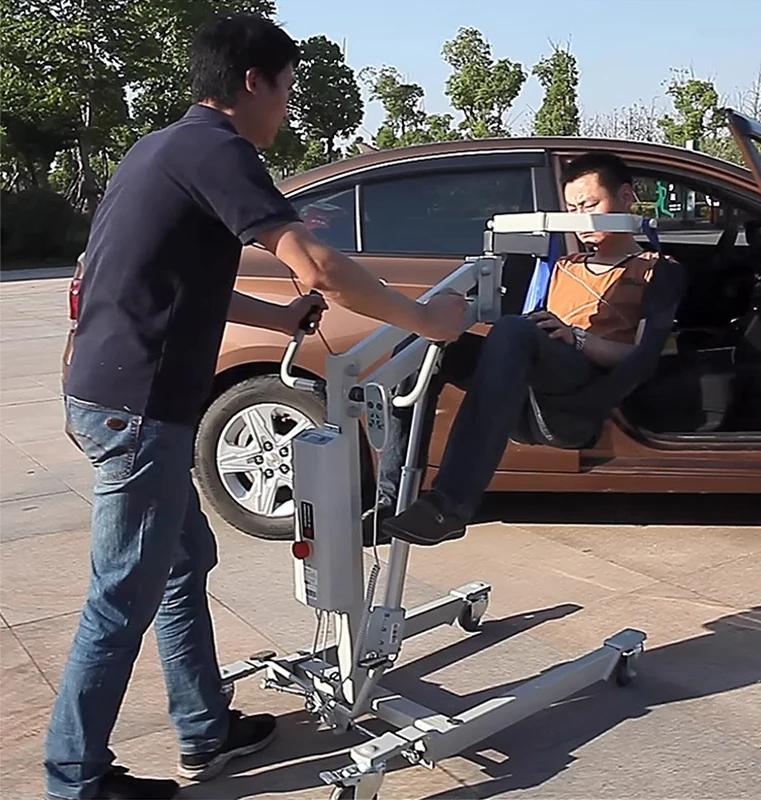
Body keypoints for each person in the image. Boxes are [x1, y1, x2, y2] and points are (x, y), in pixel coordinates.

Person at [46, 13, 466, 800]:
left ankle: (205, 731)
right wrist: (427, 318)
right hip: (139, 409)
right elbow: (317, 262)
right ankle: (75, 779)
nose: (288, 108)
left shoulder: (161, 147)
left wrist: (278, 320)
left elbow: (180, 277)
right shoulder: (218, 148)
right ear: (252, 83)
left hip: (106, 394)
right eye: (288, 90)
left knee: (179, 568)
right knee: (122, 595)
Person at [374, 151, 681, 547]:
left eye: (590, 206)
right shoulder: (561, 265)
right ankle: (391, 499)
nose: (581, 219)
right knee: (417, 345)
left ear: (625, 198)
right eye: (572, 208)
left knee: (515, 330)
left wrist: (577, 337)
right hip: (528, 378)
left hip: (583, 389)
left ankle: (450, 503)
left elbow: (641, 359)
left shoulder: (656, 268)